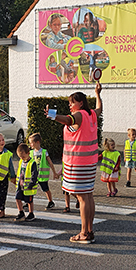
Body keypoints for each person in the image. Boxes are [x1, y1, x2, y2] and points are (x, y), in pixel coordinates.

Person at [45, 82, 102, 244]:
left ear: (80, 103)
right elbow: (99, 109)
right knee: (88, 196)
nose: (70, 104)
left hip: (77, 163)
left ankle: (83, 233)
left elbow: (68, 120)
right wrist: (98, 94)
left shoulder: (79, 115)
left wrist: (52, 115)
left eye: (72, 102)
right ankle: (89, 231)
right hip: (89, 163)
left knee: (82, 198)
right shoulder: (91, 114)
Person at [29, 133, 59, 209]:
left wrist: (54, 173)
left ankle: (50, 201)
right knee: (31, 188)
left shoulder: (44, 152)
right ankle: (29, 202)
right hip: (34, 175)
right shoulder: (31, 153)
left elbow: (50, 163)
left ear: (37, 142)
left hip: (42, 176)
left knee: (46, 189)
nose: (30, 145)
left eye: (32, 143)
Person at [0, 133, 15, 220]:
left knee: (2, 195)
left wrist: (13, 176)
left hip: (3, 178)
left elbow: (10, 166)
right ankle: (1, 206)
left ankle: (2, 210)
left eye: (3, 140)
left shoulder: (7, 153)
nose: (2, 142)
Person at [13, 144, 38, 221]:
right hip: (20, 185)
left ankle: (31, 213)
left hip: (29, 186)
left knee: (29, 201)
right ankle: (21, 212)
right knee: (17, 198)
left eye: (23, 156)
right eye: (20, 157)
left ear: (28, 153)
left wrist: (32, 183)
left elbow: (34, 174)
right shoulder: (21, 161)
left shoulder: (32, 163)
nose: (22, 158)